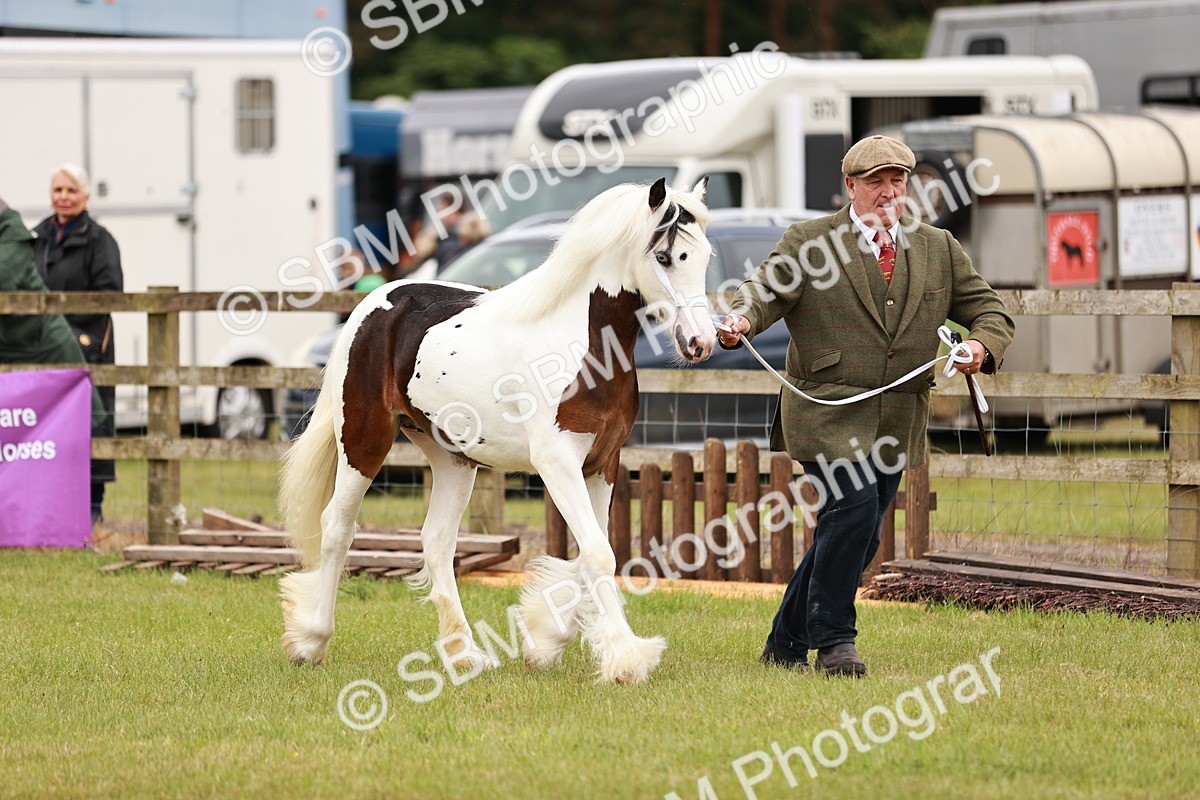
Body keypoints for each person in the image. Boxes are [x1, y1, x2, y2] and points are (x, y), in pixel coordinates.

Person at [718, 135, 1015, 677]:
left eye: (896, 181)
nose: (887, 192)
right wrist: (740, 320)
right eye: (875, 182)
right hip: (826, 410)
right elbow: (764, 291)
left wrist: (979, 346)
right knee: (852, 511)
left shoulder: (938, 247)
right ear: (850, 187)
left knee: (856, 528)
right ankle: (835, 642)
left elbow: (990, 312)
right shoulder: (810, 242)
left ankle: (784, 643)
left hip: (897, 418)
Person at [32, 164, 123, 525]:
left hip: (86, 345)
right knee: (47, 424)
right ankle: (48, 503)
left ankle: (92, 506)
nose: (64, 198)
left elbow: (110, 292)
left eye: (71, 191)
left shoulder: (100, 240)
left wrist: (71, 331)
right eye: (58, 191)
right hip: (42, 348)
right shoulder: (36, 237)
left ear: (85, 196)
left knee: (93, 419)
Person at [0, 194, 105, 428]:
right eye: (58, 189)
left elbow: (3, 277)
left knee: (84, 431)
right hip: (15, 353)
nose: (63, 197)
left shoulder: (12, 233)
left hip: (45, 348)